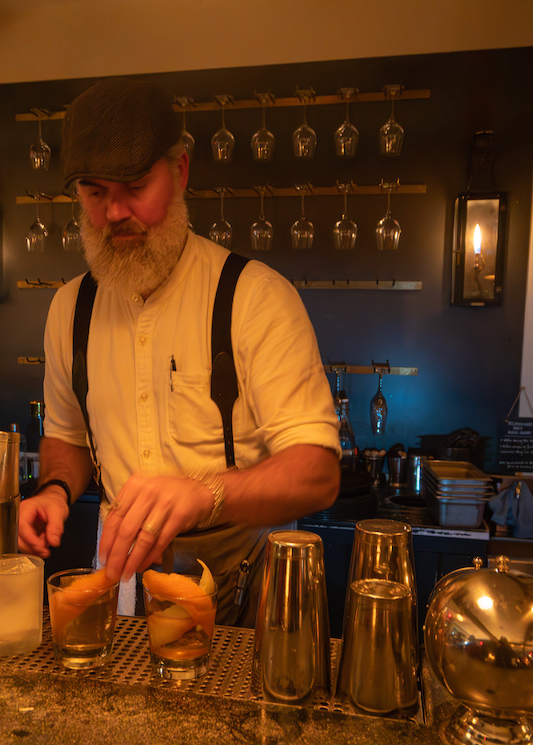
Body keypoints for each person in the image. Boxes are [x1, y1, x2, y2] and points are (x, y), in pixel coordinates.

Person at [17, 76, 340, 626]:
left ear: (181, 171)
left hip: (245, 585)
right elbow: (67, 440)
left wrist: (205, 493)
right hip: (122, 581)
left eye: (136, 186)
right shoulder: (69, 309)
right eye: (96, 193)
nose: (116, 211)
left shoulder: (254, 295)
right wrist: (54, 490)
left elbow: (318, 473)